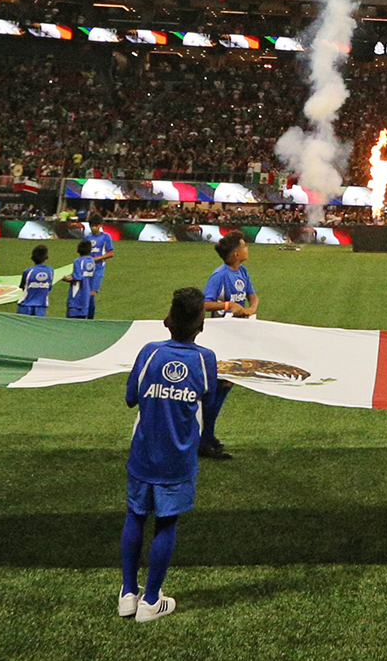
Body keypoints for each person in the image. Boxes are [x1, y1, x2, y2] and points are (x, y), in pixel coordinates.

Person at [120, 287, 215, 623]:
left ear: (167, 320)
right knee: (166, 522)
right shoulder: (205, 359)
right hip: (179, 456)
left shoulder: (149, 353)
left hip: (144, 451)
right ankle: (150, 601)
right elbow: (208, 399)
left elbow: (131, 398)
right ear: (201, 326)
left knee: (135, 516)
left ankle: (127, 594)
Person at [199, 234, 258, 460]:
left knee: (227, 385)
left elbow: (253, 297)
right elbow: (204, 303)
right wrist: (228, 305)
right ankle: (205, 440)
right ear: (236, 254)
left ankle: (208, 435)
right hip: (220, 338)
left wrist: (251, 308)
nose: (247, 249)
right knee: (217, 388)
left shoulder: (242, 272)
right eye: (244, 247)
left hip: (237, 336)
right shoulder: (220, 275)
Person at [67, 237, 102, 319]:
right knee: (82, 319)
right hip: (86, 295)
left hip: (77, 295)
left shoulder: (78, 261)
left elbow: (77, 277)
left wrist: (66, 279)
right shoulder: (92, 262)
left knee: (71, 320)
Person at [17, 244, 54, 315]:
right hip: (41, 306)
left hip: (26, 305)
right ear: (46, 256)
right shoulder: (50, 271)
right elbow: (49, 287)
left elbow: (23, 287)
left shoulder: (28, 272)